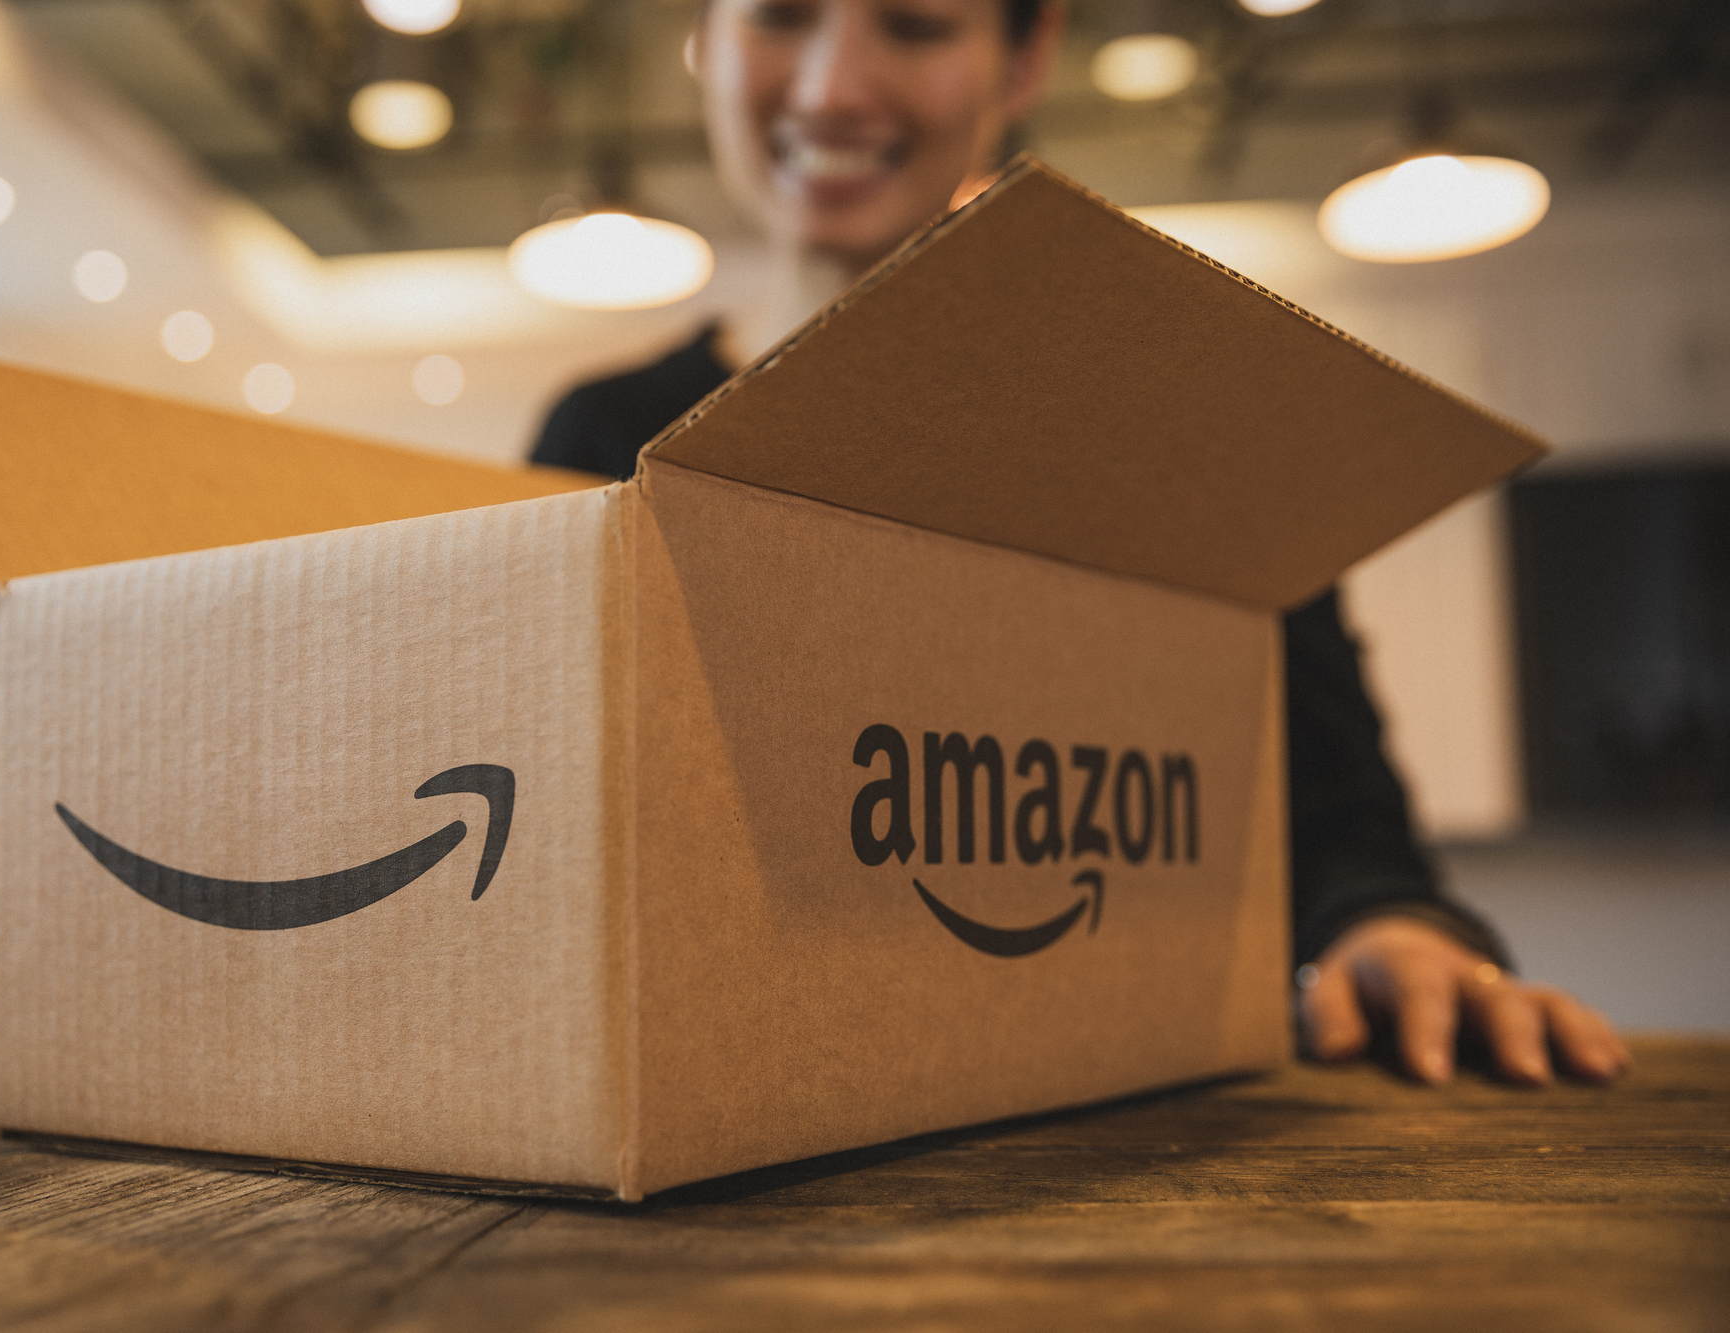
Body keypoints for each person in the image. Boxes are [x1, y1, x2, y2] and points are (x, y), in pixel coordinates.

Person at [533, 0, 1631, 1087]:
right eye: (778, 14)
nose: (830, 88)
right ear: (704, 41)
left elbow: (1344, 828)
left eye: (912, 26)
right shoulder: (596, 438)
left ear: (1021, 60)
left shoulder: (1164, 429)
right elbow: (541, 839)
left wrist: (1390, 930)